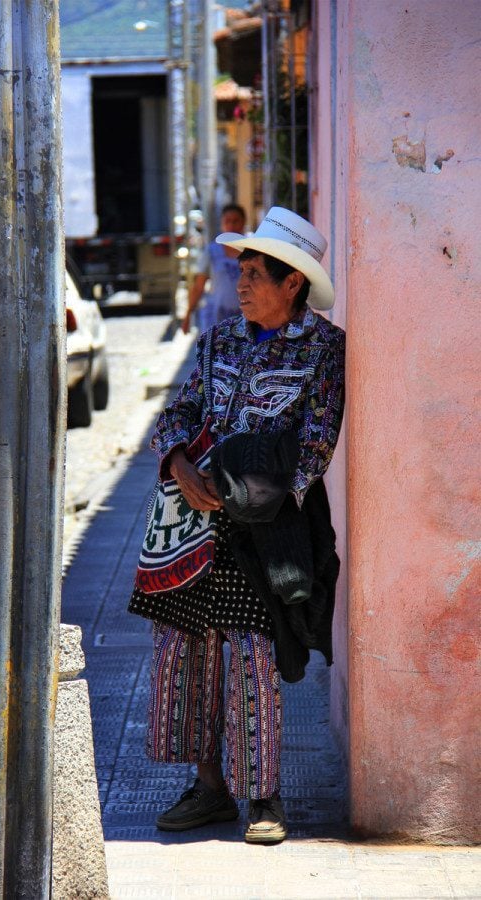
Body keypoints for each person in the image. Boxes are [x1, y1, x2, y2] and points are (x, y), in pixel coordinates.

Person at [129, 206, 346, 844]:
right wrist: (178, 464)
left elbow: (316, 445)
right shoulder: (220, 339)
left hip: (264, 527)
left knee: (254, 653)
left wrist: (253, 496)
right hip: (195, 524)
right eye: (242, 271)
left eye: (254, 274)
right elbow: (183, 408)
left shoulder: (323, 349)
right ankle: (209, 788)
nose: (241, 284)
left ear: (292, 283)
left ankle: (263, 797)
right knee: (187, 647)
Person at [181, 203, 247, 334]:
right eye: (227, 221)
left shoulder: (252, 252)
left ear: (243, 222)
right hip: (216, 317)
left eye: (236, 221)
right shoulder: (211, 251)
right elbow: (199, 286)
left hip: (245, 318)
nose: (232, 225)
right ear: (222, 224)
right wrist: (188, 314)